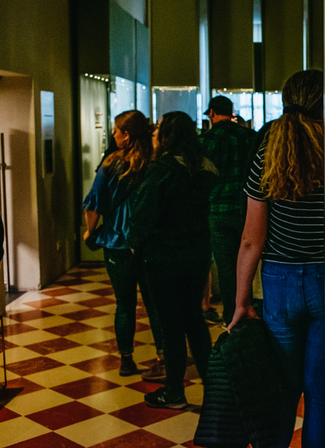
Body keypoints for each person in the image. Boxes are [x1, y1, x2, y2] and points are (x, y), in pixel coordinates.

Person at [228, 70, 325, 448]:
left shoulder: (268, 156)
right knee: (320, 396)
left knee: (281, 389)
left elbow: (252, 240)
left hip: (280, 282)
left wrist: (241, 299)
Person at [128, 111, 217, 409]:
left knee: (171, 325)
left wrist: (134, 244)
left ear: (167, 136)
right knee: (194, 320)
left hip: (164, 256)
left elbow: (144, 214)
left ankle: (175, 392)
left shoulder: (161, 169)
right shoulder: (207, 168)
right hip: (198, 254)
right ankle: (213, 390)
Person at [82, 110, 165, 379]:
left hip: (117, 243)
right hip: (149, 243)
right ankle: (163, 356)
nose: (114, 135)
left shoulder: (110, 164)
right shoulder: (155, 163)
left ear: (126, 135)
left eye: (116, 130)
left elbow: (93, 203)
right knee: (155, 303)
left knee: (124, 304)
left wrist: (89, 231)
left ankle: (126, 360)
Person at [200, 95, 257, 325]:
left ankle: (231, 315)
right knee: (248, 263)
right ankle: (250, 310)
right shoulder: (248, 137)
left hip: (217, 209)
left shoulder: (207, 140)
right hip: (247, 209)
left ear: (212, 113)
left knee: (225, 267)